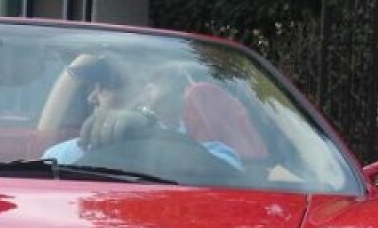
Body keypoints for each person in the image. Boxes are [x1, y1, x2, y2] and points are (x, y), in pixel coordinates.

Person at [45, 58, 243, 172]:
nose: (91, 98)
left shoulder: (218, 156)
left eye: (105, 86)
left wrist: (149, 130)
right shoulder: (61, 156)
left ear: (151, 93)